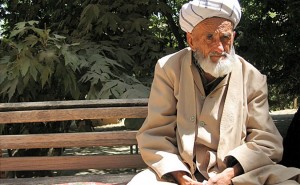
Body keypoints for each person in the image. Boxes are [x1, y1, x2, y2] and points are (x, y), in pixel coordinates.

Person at [128, 0, 300, 184]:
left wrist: (229, 175)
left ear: (233, 37)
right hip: (180, 171)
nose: (219, 48)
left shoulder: (252, 77)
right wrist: (182, 177)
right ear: (191, 40)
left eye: (225, 38)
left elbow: (266, 141)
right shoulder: (168, 69)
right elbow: (155, 133)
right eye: (209, 37)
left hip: (238, 175)